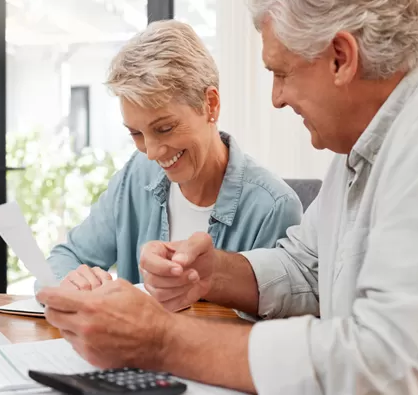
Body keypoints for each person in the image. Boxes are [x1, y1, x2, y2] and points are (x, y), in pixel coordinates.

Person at [37, 0, 418, 393]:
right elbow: (306, 268)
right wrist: (210, 272)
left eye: (280, 73)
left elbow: (393, 364)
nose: (276, 98)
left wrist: (158, 339)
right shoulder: (361, 152)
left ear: (340, 58)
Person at [43, 20, 302, 290]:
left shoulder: (273, 208)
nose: (152, 152)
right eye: (136, 134)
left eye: (164, 128)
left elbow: (264, 325)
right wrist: (72, 282)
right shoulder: (137, 175)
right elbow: (64, 257)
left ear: (210, 104)